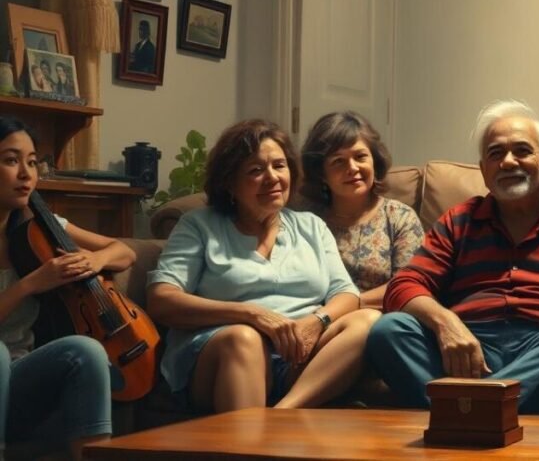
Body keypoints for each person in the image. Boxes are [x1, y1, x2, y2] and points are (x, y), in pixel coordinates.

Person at [366, 99, 539, 413]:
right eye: (495, 154)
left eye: (522, 151)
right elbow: (404, 285)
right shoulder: (459, 221)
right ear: (484, 170)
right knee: (388, 331)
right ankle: (494, 412)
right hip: (466, 348)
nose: (508, 162)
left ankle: (468, 412)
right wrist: (446, 323)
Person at [146, 119, 379, 413]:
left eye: (279, 166)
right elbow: (162, 300)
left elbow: (346, 294)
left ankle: (285, 412)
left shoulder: (311, 226)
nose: (272, 178)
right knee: (245, 339)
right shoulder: (199, 225)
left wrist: (315, 322)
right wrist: (252, 315)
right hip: (224, 354)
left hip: (298, 355)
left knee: (366, 321)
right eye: (256, 170)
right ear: (229, 182)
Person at [0, 115, 137, 460]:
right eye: (11, 160)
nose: (26, 174)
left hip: (23, 378)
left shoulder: (41, 228)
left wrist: (97, 260)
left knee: (87, 350)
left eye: (32, 162)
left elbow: (125, 252)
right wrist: (32, 283)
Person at [300, 111, 424, 310]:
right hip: (314, 320)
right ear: (321, 173)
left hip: (379, 324)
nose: (352, 168)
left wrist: (345, 307)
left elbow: (409, 284)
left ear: (374, 161)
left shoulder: (400, 218)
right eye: (338, 161)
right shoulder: (306, 221)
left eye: (360, 156)